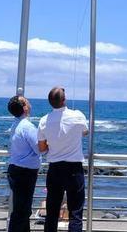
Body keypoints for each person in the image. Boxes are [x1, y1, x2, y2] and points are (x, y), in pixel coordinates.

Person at [38, 87, 88, 232]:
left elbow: (42, 148)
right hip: (74, 169)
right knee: (75, 213)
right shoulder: (77, 115)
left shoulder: (43, 121)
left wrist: (54, 143)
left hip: (55, 169)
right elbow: (85, 132)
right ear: (64, 100)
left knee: (52, 212)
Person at [6, 95, 42, 232]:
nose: (29, 103)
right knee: (22, 211)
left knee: (22, 210)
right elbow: (39, 149)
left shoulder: (16, 124)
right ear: (25, 108)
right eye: (27, 101)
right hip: (25, 172)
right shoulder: (27, 127)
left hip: (17, 170)